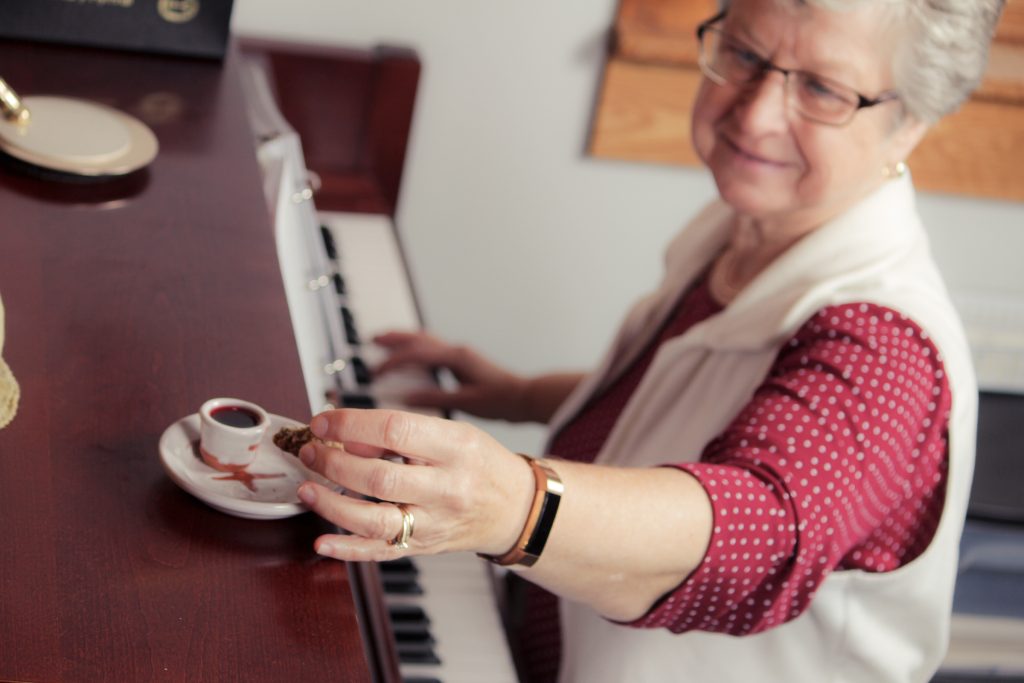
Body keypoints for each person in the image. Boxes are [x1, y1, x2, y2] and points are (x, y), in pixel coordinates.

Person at [294, 0, 1005, 680]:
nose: (755, 114)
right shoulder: (758, 226)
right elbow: (693, 397)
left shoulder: (888, 349)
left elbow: (760, 525)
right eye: (745, 54)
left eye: (822, 88)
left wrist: (512, 505)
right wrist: (521, 391)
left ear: (912, 120)